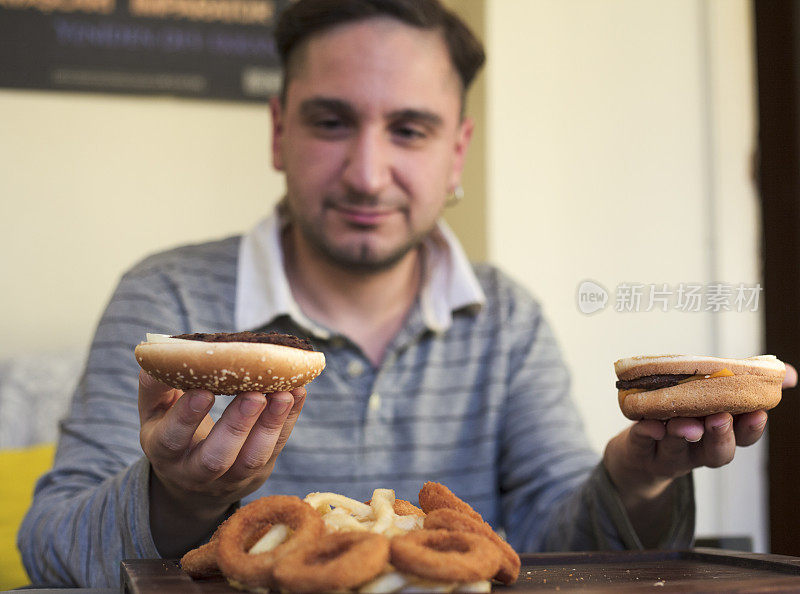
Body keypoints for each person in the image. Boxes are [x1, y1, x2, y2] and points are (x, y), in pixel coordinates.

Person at [19, 0, 796, 587]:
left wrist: (639, 476)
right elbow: (48, 549)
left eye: (410, 130)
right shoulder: (169, 300)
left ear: (457, 151)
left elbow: (551, 547)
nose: (366, 172)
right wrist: (178, 500)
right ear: (278, 130)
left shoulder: (508, 320)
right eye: (331, 122)